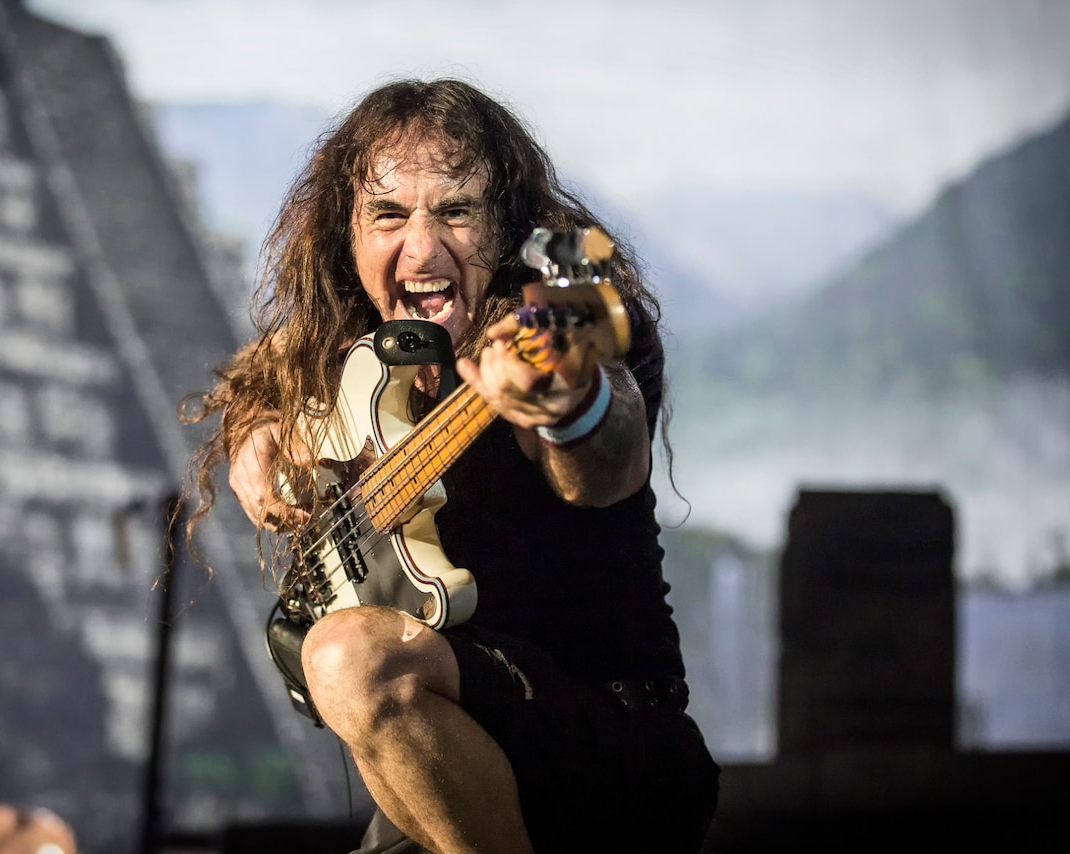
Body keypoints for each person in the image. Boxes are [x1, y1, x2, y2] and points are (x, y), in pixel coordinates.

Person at [185, 78, 720, 853]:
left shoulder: (553, 321)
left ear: (507, 229)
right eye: (390, 215)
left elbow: (605, 463)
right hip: (443, 754)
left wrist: (570, 405)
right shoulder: (349, 342)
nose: (424, 249)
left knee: (345, 655)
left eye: (457, 212)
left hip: (604, 745)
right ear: (349, 236)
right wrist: (253, 431)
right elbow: (259, 369)